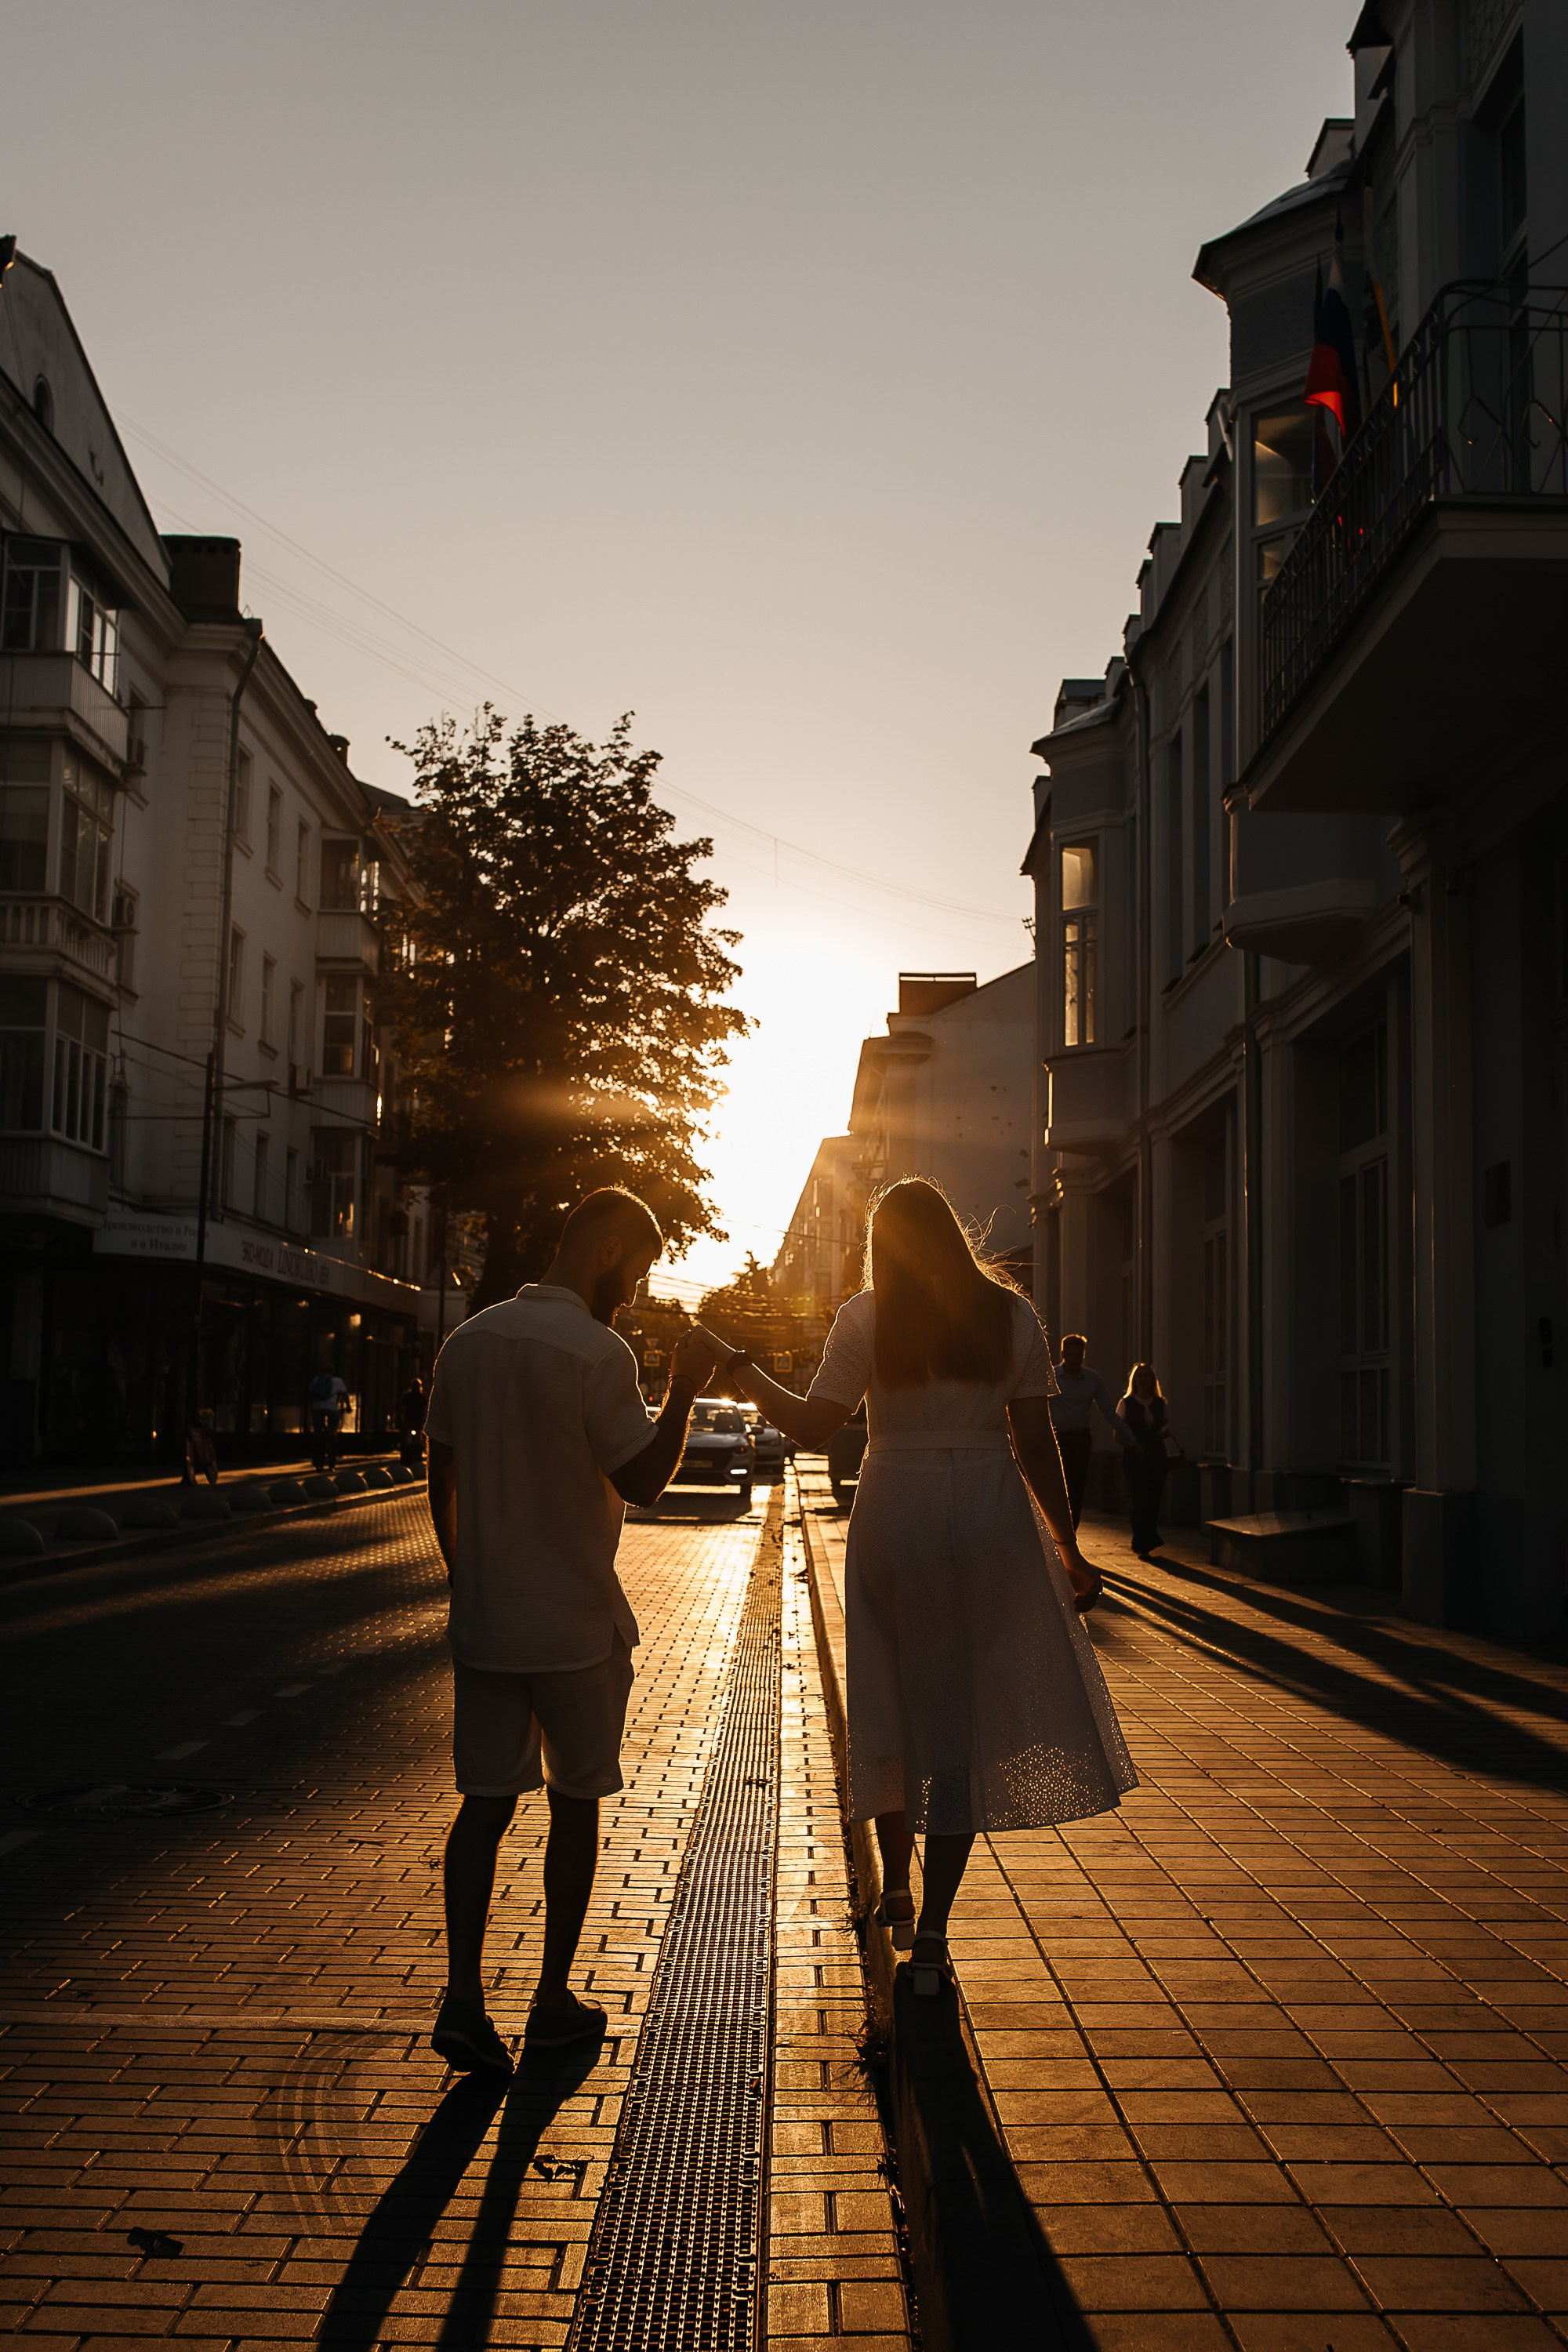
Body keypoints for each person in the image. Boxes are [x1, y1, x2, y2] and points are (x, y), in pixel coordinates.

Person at [699, 1177, 1137, 1998]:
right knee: (957, 1721)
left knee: (893, 1697)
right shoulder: (1009, 1314)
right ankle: (932, 1933)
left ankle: (893, 1886)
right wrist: (1068, 1545)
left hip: (893, 1509)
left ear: (881, 1242)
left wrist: (740, 1368)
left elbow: (812, 1424)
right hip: (986, 1514)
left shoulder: (866, 1315)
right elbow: (1035, 1441)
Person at [423, 1187, 724, 2074]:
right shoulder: (598, 1352)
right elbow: (644, 1480)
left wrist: (463, 1571)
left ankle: (463, 1998)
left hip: (486, 1622)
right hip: (574, 1626)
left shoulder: (467, 1343)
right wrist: (682, 1390)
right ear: (602, 1250)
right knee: (573, 1805)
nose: (633, 1290)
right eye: (634, 1269)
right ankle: (552, 2001)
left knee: (482, 1806)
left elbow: (437, 1466)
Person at [1050, 1333, 1132, 1528]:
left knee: (1077, 1486)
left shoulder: (1092, 1379)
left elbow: (1109, 1411)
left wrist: (1131, 1438)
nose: (1074, 1359)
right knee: (1055, 1486)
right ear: (1062, 1354)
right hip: (1056, 1437)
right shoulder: (1051, 1375)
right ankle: (1053, 1530)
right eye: (1070, 1354)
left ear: (1083, 1355)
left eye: (1078, 1355)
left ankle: (1072, 1531)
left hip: (1080, 1438)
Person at [1116, 1363, 1183, 1558]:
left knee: (1153, 1499)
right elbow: (1117, 1432)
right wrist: (1132, 1445)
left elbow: (1162, 1427)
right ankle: (1141, 1542)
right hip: (1134, 1457)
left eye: (1147, 1376)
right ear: (1134, 1380)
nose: (1143, 1380)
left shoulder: (1160, 1403)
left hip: (1156, 1456)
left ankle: (1148, 1539)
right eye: (1140, 1376)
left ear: (1153, 1380)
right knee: (1139, 1498)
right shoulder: (1126, 1403)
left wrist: (1162, 1434)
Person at [309, 1364, 349, 1472]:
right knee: (333, 1430)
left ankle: (316, 1458)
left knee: (318, 1432)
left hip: (317, 1408)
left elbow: (311, 1393)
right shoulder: (338, 1380)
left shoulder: (316, 1379)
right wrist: (348, 1407)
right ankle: (332, 1457)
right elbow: (344, 1395)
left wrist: (312, 1407)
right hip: (332, 1408)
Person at [397, 1374, 426, 1470]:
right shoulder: (421, 1397)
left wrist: (403, 1417)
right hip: (417, 1422)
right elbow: (425, 1410)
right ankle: (417, 1455)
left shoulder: (408, 1396)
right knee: (417, 1440)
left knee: (408, 1440)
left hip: (410, 1422)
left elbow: (403, 1408)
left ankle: (406, 1456)